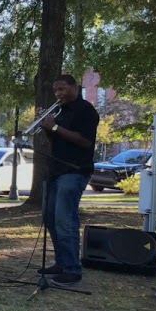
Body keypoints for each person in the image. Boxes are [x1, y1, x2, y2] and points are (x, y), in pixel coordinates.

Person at [37, 74, 100, 286]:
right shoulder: (60, 111)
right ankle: (61, 263)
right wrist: (48, 128)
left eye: (62, 89)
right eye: (56, 91)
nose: (58, 94)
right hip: (55, 170)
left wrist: (55, 127)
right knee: (50, 218)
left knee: (65, 221)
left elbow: (84, 141)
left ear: (75, 87)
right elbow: (56, 139)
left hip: (75, 171)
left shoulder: (86, 111)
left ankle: (73, 269)